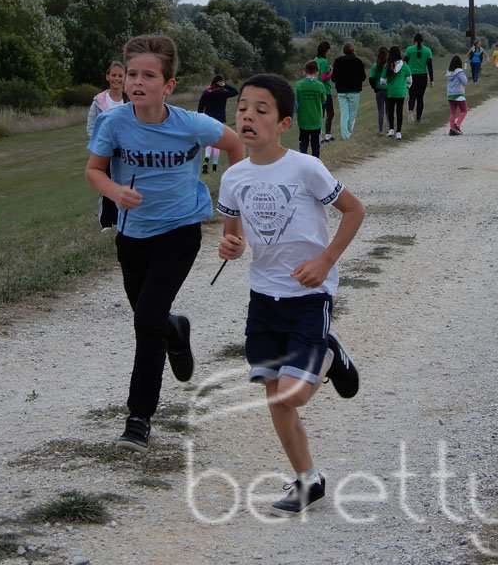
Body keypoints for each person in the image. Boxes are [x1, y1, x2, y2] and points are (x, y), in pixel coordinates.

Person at [85, 34, 244, 451]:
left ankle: (138, 418)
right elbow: (94, 171)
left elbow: (235, 145)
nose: (137, 82)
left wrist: (234, 211)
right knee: (152, 317)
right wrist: (115, 192)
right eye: (132, 74)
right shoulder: (114, 122)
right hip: (132, 235)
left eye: (148, 75)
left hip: (180, 232)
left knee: (145, 320)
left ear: (168, 85)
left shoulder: (191, 124)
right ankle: (177, 329)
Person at [217, 73, 365, 516]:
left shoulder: (306, 167)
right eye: (243, 107)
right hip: (263, 299)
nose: (248, 116)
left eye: (261, 110)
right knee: (274, 395)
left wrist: (325, 261)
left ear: (283, 123)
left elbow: (355, 211)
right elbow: (232, 237)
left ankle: (328, 354)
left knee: (292, 395)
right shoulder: (234, 176)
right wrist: (231, 245)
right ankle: (308, 480)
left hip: (308, 296)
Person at [86, 61, 128, 230]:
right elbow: (90, 128)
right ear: (107, 77)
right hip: (105, 153)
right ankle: (106, 223)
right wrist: (102, 146)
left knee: (123, 185)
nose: (116, 79)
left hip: (125, 153)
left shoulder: (130, 100)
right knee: (106, 185)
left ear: (124, 78)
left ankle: (120, 220)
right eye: (114, 75)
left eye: (120, 75)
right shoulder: (99, 102)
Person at [197, 75, 239, 173]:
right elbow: (235, 92)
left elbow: (200, 108)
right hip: (219, 119)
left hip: (208, 119)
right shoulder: (222, 93)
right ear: (220, 83)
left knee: (209, 141)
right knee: (217, 142)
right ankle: (215, 166)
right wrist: (226, 85)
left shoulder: (207, 92)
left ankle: (206, 159)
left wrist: (201, 118)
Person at [331, 41, 367, 140]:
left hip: (341, 91)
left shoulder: (338, 61)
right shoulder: (358, 61)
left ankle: (345, 135)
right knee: (352, 114)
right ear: (353, 50)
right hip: (354, 91)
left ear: (344, 51)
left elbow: (333, 78)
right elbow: (363, 77)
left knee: (344, 114)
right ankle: (348, 132)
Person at [295, 60, 326, 157]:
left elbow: (296, 103)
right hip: (316, 120)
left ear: (305, 71)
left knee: (303, 143)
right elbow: (323, 100)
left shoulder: (299, 85)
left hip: (303, 120)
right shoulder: (320, 85)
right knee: (315, 144)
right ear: (317, 72)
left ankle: (303, 163)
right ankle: (315, 164)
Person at [380, 46, 412, 139]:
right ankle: (398, 132)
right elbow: (409, 80)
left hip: (391, 91)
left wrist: (387, 85)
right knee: (399, 112)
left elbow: (382, 80)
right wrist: (406, 86)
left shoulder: (388, 65)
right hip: (401, 91)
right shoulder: (405, 65)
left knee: (390, 111)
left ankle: (391, 130)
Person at [404, 33, 433, 121]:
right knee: (420, 98)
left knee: (412, 96)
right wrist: (432, 79)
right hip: (423, 76)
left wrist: (404, 76)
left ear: (414, 41)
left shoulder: (409, 50)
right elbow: (430, 67)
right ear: (422, 41)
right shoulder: (427, 51)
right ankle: (418, 118)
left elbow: (404, 64)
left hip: (412, 76)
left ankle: (410, 113)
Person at [314, 41, 335, 142]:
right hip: (325, 90)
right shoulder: (324, 61)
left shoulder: (315, 60)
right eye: (329, 49)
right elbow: (323, 77)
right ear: (326, 50)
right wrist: (331, 72)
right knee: (330, 113)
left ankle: (318, 137)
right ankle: (327, 136)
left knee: (319, 114)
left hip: (316, 89)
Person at [445, 54, 468, 136]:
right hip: (458, 94)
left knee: (453, 112)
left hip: (450, 95)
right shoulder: (459, 71)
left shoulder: (448, 72)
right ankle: (457, 126)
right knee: (464, 110)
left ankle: (451, 128)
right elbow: (465, 81)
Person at [369, 47, 389, 136]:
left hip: (379, 91)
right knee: (389, 111)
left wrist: (374, 87)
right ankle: (390, 128)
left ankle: (380, 131)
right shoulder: (389, 65)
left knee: (380, 111)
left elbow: (371, 79)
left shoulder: (375, 66)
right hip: (389, 90)